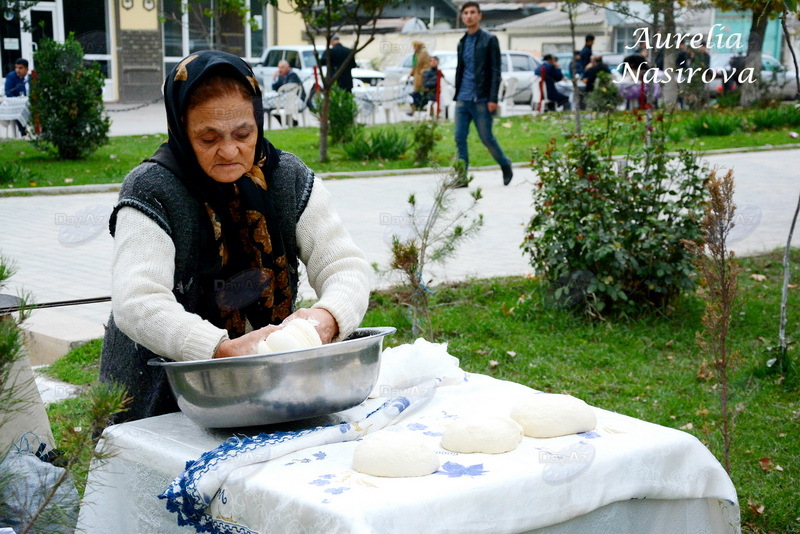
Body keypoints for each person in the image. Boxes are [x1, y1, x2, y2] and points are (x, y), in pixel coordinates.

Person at [99, 50, 371, 423]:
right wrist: (219, 349)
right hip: (160, 397)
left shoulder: (286, 178)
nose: (229, 151)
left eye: (243, 134)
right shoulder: (153, 190)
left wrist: (327, 318)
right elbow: (137, 301)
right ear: (181, 128)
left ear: (258, 121)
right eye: (208, 138)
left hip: (273, 389)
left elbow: (346, 266)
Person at [454, 1, 513, 187]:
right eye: (465, 13)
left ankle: (505, 164)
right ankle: (462, 178)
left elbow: (496, 70)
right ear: (462, 17)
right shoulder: (462, 42)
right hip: (463, 98)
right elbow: (461, 69)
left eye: (473, 12)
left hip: (481, 99)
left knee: (486, 138)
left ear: (479, 16)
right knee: (459, 137)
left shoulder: (489, 40)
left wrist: (493, 98)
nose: (469, 16)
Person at [271, 59, 305, 126]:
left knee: (278, 104)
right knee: (273, 108)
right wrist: (274, 79)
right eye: (279, 67)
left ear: (288, 67)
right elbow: (275, 88)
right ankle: (290, 122)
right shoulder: (281, 76)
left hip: (298, 100)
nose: (280, 70)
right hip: (287, 100)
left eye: (282, 67)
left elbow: (288, 88)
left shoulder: (293, 75)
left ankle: (292, 122)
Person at [4, 58, 29, 136]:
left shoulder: (32, 77)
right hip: (19, 103)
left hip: (32, 102)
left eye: (20, 68)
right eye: (16, 67)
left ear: (26, 69)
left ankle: (42, 133)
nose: (17, 70)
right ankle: (23, 134)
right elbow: (8, 92)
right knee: (18, 110)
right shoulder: (11, 76)